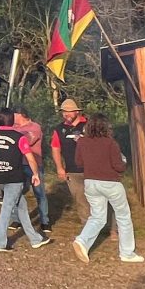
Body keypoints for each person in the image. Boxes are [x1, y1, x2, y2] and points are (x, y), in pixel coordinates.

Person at [0, 108, 49, 253]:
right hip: (14, 178)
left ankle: (35, 239)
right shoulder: (19, 137)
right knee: (7, 209)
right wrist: (35, 174)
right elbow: (30, 158)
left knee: (22, 208)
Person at [69, 116, 141, 263]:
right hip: (111, 183)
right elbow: (118, 166)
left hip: (90, 183)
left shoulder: (82, 142)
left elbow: (78, 162)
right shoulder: (111, 143)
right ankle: (127, 253)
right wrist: (124, 162)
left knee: (97, 217)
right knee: (123, 217)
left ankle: (82, 240)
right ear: (107, 127)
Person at [51, 98, 91, 229]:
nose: (66, 114)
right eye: (64, 112)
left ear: (77, 111)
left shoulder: (89, 125)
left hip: (92, 169)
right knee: (81, 200)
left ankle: (111, 227)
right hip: (72, 171)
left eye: (69, 111)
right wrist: (59, 168)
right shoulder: (59, 129)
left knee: (100, 199)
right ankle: (87, 229)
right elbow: (55, 148)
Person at [10, 104, 50, 229]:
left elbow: (27, 141)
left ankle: (44, 221)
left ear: (20, 115)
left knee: (39, 193)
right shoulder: (12, 127)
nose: (12, 117)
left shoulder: (35, 127)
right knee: (16, 193)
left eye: (14, 115)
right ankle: (16, 220)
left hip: (34, 165)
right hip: (17, 165)